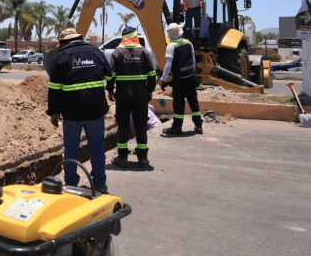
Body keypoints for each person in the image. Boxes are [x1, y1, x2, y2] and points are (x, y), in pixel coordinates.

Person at [47, 28, 112, 193]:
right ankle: (99, 184)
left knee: (71, 149)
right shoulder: (96, 52)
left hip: (72, 113)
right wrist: (109, 89)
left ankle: (71, 184)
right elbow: (110, 76)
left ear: (62, 42)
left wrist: (54, 112)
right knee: (97, 148)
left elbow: (54, 89)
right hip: (95, 111)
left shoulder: (60, 57)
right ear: (79, 38)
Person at [106, 26, 156, 168]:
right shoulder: (143, 52)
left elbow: (111, 74)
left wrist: (110, 89)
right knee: (141, 125)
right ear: (135, 37)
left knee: (123, 126)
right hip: (140, 96)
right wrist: (149, 90)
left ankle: (122, 157)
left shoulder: (117, 52)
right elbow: (152, 74)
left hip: (122, 96)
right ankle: (143, 158)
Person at [158, 23, 203, 135]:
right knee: (193, 101)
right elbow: (193, 60)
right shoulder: (188, 43)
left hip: (179, 79)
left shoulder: (171, 46)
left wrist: (163, 79)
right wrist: (192, 73)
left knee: (178, 104)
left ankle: (177, 127)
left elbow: (168, 64)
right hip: (190, 77)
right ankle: (198, 125)